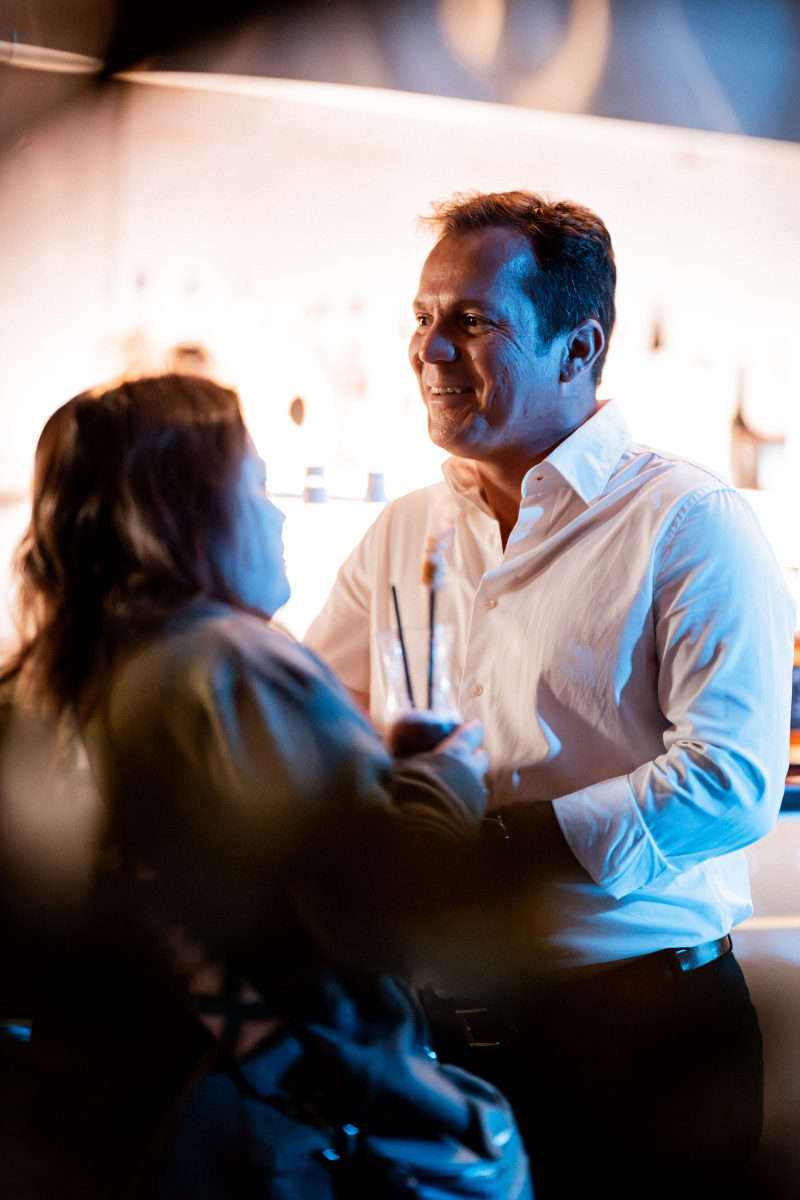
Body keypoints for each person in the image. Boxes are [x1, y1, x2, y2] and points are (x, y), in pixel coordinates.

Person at [304, 190, 796, 1199]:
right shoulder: (402, 529)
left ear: (579, 348)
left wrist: (494, 847)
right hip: (441, 1038)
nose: (430, 349)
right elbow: (312, 721)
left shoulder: (687, 518)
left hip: (641, 1043)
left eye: (472, 321)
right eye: (422, 317)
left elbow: (732, 782)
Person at [0, 374, 532, 1199]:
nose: (278, 514)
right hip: (263, 1142)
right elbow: (385, 921)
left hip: (113, 1129)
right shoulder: (230, 664)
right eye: (255, 484)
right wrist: (442, 782)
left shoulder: (41, 687)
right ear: (186, 510)